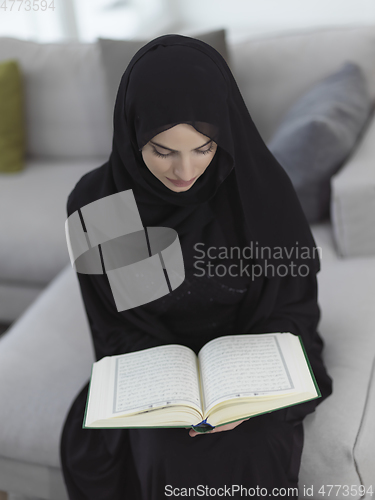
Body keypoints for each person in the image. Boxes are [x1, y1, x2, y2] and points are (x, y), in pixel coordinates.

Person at [60, 34, 333, 499]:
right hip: (156, 377)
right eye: (163, 151)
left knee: (256, 445)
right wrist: (176, 402)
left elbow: (293, 311)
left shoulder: (259, 188)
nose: (185, 171)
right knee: (162, 453)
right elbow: (116, 332)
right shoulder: (99, 206)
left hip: (252, 365)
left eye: (203, 148)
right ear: (131, 136)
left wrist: (245, 397)